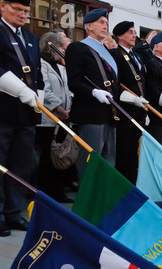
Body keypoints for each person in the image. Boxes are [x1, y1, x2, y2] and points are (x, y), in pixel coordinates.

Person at [0, 0, 44, 236]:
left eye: (26, 11)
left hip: (26, 113)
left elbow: (37, 73)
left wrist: (38, 98)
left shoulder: (31, 38)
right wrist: (22, 91)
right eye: (18, 9)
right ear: (2, 6)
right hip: (1, 111)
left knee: (20, 164)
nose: (23, 15)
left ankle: (14, 212)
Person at [65, 8, 120, 179]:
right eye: (101, 22)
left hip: (110, 114)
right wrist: (93, 92)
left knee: (109, 160)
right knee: (90, 160)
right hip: (90, 113)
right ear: (89, 26)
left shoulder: (108, 53)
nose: (106, 25)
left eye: (106, 22)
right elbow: (74, 82)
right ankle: (88, 200)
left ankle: (103, 198)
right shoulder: (77, 48)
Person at [35, 31, 74, 203]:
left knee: (59, 156)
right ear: (50, 46)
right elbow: (46, 89)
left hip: (63, 119)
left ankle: (58, 192)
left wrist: (69, 106)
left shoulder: (62, 66)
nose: (62, 50)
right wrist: (58, 107)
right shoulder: (42, 64)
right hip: (48, 119)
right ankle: (46, 193)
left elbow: (69, 89)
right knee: (46, 158)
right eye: (59, 46)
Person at [109, 21, 148, 184]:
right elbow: (115, 83)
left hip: (140, 107)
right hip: (125, 108)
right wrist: (132, 99)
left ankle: (132, 182)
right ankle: (122, 183)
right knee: (124, 148)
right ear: (119, 36)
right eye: (130, 32)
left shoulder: (137, 56)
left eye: (134, 32)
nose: (134, 36)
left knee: (134, 149)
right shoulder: (114, 54)